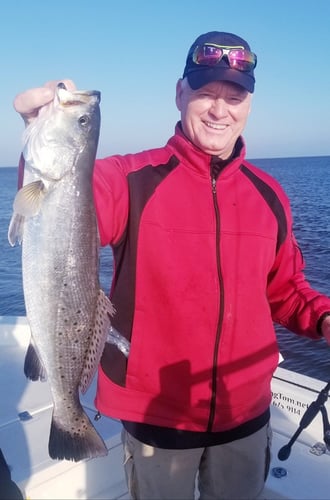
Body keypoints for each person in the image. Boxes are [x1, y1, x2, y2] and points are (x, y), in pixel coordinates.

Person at [14, 31, 330, 499]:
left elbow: (285, 291)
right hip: (155, 418)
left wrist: (324, 318)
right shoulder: (125, 178)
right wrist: (36, 139)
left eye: (234, 97)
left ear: (249, 105)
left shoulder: (270, 194)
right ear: (180, 94)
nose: (219, 110)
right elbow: (57, 207)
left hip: (246, 414)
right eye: (205, 93)